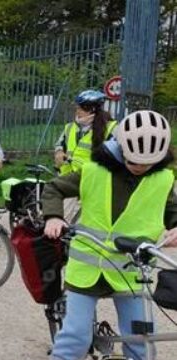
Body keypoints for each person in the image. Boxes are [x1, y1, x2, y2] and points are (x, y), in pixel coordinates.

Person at [42, 110, 177, 360]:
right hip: (87, 268)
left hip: (132, 271)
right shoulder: (94, 170)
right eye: (134, 161)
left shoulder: (163, 179)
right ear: (121, 150)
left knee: (141, 342)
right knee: (75, 338)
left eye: (148, 164)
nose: (140, 168)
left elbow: (171, 211)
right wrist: (53, 216)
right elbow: (53, 188)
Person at [54, 90, 117, 175]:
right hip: (67, 178)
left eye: (81, 109)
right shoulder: (70, 127)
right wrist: (59, 152)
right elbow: (59, 144)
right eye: (77, 108)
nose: (77, 112)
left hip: (91, 179)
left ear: (93, 110)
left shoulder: (111, 128)